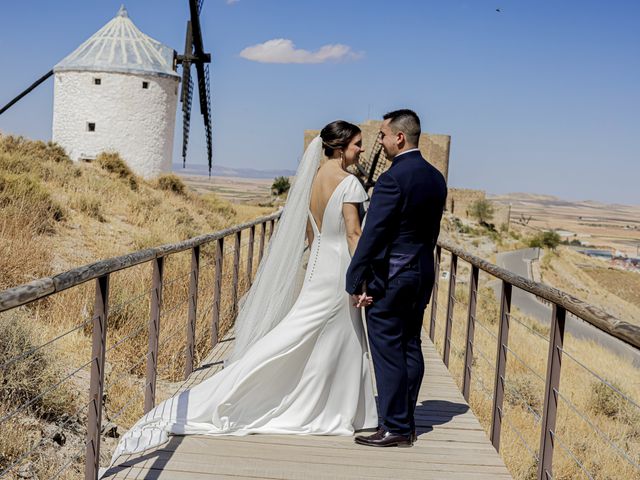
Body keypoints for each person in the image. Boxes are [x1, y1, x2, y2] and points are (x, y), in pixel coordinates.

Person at [110, 121, 378, 463]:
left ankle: (328, 401)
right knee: (326, 334)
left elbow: (312, 235)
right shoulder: (350, 183)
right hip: (340, 267)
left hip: (319, 266)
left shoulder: (312, 181)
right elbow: (354, 234)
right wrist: (362, 280)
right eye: (357, 144)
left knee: (321, 334)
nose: (362, 150)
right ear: (340, 148)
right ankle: (325, 405)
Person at [347, 109, 447, 447]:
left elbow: (373, 234)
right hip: (422, 273)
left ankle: (394, 427)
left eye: (384, 136)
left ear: (399, 137)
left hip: (391, 277)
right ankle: (405, 422)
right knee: (410, 344)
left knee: (387, 348)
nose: (382, 142)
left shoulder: (392, 179)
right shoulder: (436, 178)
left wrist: (355, 278)